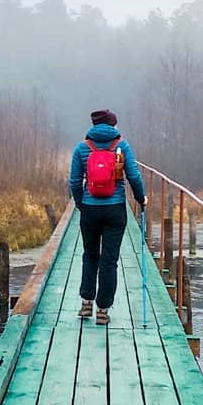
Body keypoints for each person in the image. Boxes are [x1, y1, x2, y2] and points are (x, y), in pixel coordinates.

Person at [68, 108, 147, 325]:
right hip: (115, 209)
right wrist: (141, 198)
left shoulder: (82, 148)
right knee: (109, 260)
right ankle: (103, 310)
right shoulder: (121, 146)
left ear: (94, 126)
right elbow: (134, 175)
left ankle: (86, 303)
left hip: (90, 209)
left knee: (90, 254)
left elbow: (74, 182)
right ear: (113, 125)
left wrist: (80, 203)